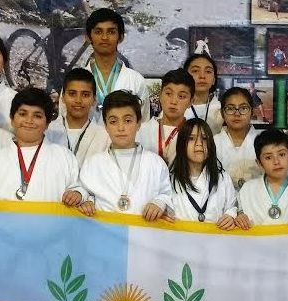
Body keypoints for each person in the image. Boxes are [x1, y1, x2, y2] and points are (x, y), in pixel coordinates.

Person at [0, 88, 86, 206]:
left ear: (47, 123)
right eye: (23, 114)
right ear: (12, 119)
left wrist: (77, 194)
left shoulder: (64, 157)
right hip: (5, 220)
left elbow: (78, 188)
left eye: (37, 116)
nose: (29, 120)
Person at [78, 90, 173, 220]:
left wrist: (159, 203)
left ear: (138, 123)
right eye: (113, 121)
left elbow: (166, 194)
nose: (121, 128)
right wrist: (87, 202)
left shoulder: (156, 163)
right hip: (104, 230)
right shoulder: (93, 164)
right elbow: (84, 193)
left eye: (127, 120)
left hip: (142, 231)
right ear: (105, 126)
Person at [83, 8, 149, 122]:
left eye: (111, 32)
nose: (104, 37)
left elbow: (143, 125)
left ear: (121, 37)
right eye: (98, 32)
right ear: (88, 37)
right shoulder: (75, 81)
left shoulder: (136, 81)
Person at [169, 118, 237, 227]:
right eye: (191, 138)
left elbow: (233, 207)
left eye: (204, 138)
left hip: (214, 237)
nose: (199, 144)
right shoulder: (170, 180)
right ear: (181, 144)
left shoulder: (223, 178)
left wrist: (231, 216)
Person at [235, 129, 288, 229]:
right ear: (259, 163)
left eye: (282, 154)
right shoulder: (247, 190)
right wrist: (238, 217)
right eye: (268, 157)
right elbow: (236, 214)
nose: (276, 162)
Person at [45, 68, 111, 166]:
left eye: (85, 95)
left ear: (94, 100)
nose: (78, 100)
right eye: (72, 94)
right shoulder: (48, 132)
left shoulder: (105, 137)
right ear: (63, 97)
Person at [136, 68, 194, 166]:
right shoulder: (141, 131)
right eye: (168, 94)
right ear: (160, 95)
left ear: (191, 101)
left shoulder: (194, 133)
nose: (173, 101)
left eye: (181, 96)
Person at [214, 87, 262, 191]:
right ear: (222, 113)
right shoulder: (213, 143)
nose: (237, 114)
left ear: (252, 112)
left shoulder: (264, 142)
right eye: (230, 108)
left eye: (243, 108)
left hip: (257, 199)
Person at [183, 53, 223, 134]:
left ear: (214, 80)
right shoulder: (176, 108)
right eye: (195, 71)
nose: (202, 76)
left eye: (208, 71)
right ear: (185, 76)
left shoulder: (222, 111)